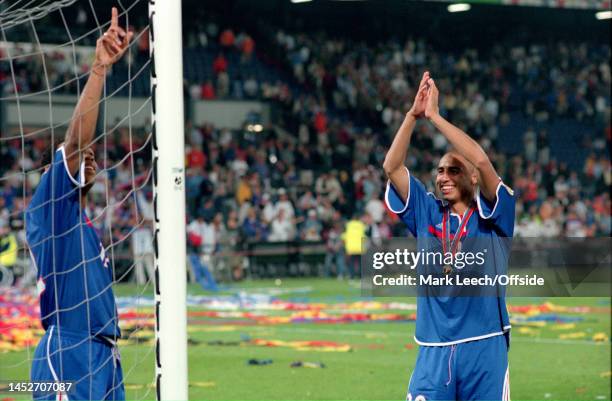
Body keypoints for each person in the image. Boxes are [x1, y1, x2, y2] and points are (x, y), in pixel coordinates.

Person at [383, 72, 515, 401]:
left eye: (453, 170)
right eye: (440, 170)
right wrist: (413, 116)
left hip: (484, 347)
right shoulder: (427, 212)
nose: (443, 177)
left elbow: (482, 160)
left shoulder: (495, 215)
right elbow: (392, 166)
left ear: (471, 175)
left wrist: (436, 117)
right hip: (433, 348)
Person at [25, 9, 132, 400]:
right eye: (80, 159)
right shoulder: (52, 208)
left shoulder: (80, 222)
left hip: (103, 352)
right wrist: (100, 70)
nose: (89, 159)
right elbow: (73, 144)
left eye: (92, 158)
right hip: (69, 351)